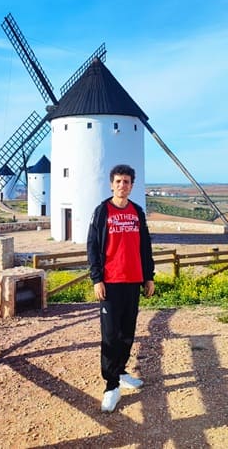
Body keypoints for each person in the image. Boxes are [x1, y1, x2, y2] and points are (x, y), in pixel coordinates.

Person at [87, 164, 155, 413]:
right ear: (111, 184)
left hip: (133, 280)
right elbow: (93, 246)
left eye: (126, 181)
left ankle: (122, 371)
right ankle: (111, 385)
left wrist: (149, 276)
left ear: (132, 185)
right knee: (110, 334)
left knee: (127, 331)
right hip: (110, 282)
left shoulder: (137, 211)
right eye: (118, 181)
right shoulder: (102, 211)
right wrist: (97, 278)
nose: (122, 185)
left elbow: (145, 246)